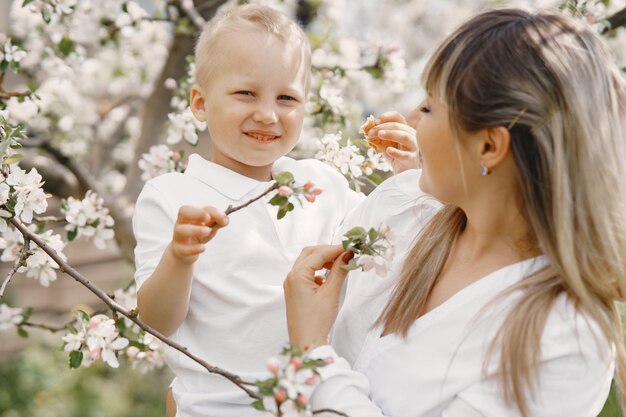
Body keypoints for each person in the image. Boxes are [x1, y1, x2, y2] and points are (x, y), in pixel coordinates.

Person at [284, 8, 626, 417]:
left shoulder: (562, 340)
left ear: (489, 147)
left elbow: (310, 348)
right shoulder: (402, 210)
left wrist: (312, 350)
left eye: (429, 108)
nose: (411, 119)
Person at [132, 4, 378, 416]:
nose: (267, 114)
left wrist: (410, 175)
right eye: (246, 93)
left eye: (287, 98)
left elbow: (389, 238)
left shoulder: (323, 183)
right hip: (219, 406)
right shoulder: (173, 195)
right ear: (200, 103)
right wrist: (179, 257)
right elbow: (156, 321)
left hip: (318, 399)